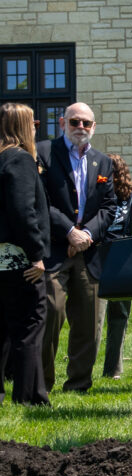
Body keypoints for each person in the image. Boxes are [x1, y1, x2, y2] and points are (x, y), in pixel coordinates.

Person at [36, 102, 117, 393]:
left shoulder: (103, 162)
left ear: (93, 127)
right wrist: (70, 232)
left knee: (88, 324)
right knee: (50, 316)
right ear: (62, 123)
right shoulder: (44, 153)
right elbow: (41, 201)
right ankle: (41, 383)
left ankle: (78, 385)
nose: (80, 128)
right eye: (74, 122)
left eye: (86, 123)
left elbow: (110, 208)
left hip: (89, 252)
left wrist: (85, 235)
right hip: (54, 252)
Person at [0, 103, 50, 406]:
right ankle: (30, 396)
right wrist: (36, 254)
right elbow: (23, 212)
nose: (36, 127)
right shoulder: (19, 160)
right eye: (33, 122)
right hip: (19, 258)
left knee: (3, 327)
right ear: (22, 126)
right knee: (30, 324)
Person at [99, 154, 132, 380]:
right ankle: (113, 370)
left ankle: (89, 366)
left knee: (97, 317)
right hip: (123, 256)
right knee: (119, 317)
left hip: (102, 253)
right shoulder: (130, 197)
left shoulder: (99, 194)